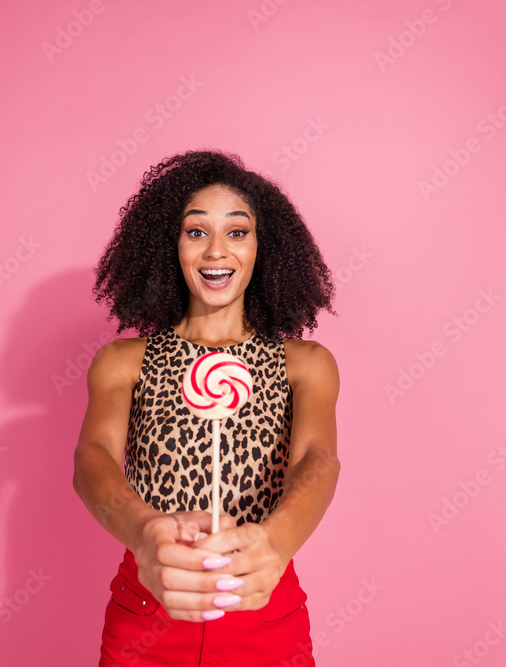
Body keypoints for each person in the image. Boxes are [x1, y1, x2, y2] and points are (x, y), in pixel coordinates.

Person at [73, 148, 340, 666]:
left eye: (237, 232)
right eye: (196, 232)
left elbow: (317, 460)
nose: (217, 250)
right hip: (150, 601)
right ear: (168, 246)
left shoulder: (304, 363)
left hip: (264, 599)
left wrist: (275, 542)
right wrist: (144, 534)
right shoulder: (123, 361)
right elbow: (93, 459)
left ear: (265, 247)